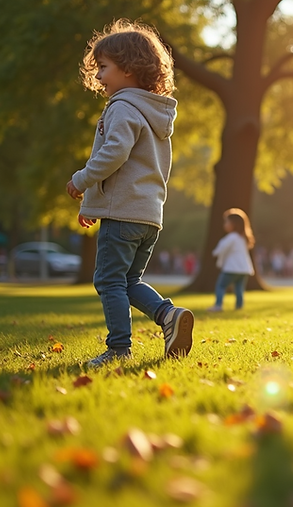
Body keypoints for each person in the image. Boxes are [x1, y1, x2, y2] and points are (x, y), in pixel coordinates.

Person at [65, 18, 193, 368]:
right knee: (128, 280)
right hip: (148, 214)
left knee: (108, 280)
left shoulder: (122, 106)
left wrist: (82, 180)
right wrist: (94, 203)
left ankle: (118, 348)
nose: (99, 77)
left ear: (129, 69)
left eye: (104, 68)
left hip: (122, 213)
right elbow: (132, 165)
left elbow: (114, 154)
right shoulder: (155, 112)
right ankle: (169, 315)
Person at [209, 208, 256, 312]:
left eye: (226, 222)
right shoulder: (243, 238)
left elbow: (222, 248)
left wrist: (214, 253)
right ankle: (239, 306)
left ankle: (218, 305)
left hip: (232, 268)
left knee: (221, 285)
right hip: (244, 269)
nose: (224, 224)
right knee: (239, 288)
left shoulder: (231, 237)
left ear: (233, 224)